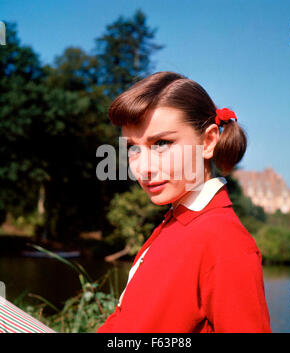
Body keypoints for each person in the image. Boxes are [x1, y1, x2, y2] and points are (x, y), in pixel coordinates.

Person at [97, 71, 272, 333]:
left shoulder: (225, 242)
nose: (143, 168)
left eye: (161, 143)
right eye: (133, 148)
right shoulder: (176, 223)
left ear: (208, 141)